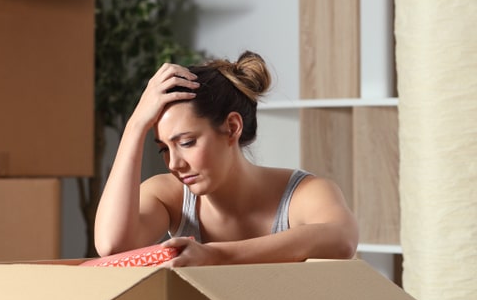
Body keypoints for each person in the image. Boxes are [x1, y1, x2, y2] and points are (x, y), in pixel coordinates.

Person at [93, 50, 359, 266]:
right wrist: (134, 126)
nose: (174, 163)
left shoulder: (304, 194)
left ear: (232, 127)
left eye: (186, 142)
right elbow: (113, 246)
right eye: (163, 148)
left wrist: (216, 255)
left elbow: (342, 239)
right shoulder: (170, 196)